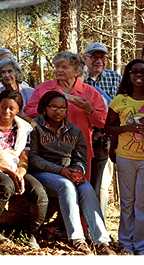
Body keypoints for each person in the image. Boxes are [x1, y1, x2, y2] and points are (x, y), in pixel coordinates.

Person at [27, 90, 110, 253]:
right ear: (44, 108)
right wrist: (61, 171)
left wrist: (78, 172)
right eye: (53, 107)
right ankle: (77, 239)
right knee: (66, 186)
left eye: (63, 108)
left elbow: (80, 158)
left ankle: (102, 242)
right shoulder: (34, 128)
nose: (58, 111)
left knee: (87, 189)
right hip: (42, 173)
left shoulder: (74, 131)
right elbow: (33, 159)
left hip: (68, 173)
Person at [23, 51, 109, 187]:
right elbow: (28, 111)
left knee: (81, 187)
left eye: (64, 67)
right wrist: (45, 109)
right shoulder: (44, 88)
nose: (59, 70)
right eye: (57, 66)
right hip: (47, 149)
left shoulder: (90, 92)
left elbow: (103, 122)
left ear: (77, 71)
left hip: (79, 151)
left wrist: (89, 110)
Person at [102, 59, 144, 254]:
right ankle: (125, 243)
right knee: (127, 202)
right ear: (127, 76)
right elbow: (107, 127)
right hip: (125, 157)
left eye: (143, 72)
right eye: (133, 72)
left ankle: (142, 246)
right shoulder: (120, 100)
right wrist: (126, 128)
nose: (138, 75)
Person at [0, 89, 44, 244]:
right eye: (3, 107)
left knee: (38, 191)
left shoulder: (25, 128)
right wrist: (11, 173)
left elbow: (24, 157)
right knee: (5, 185)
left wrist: (20, 173)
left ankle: (33, 234)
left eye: (12, 108)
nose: (6, 111)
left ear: (18, 109)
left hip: (14, 167)